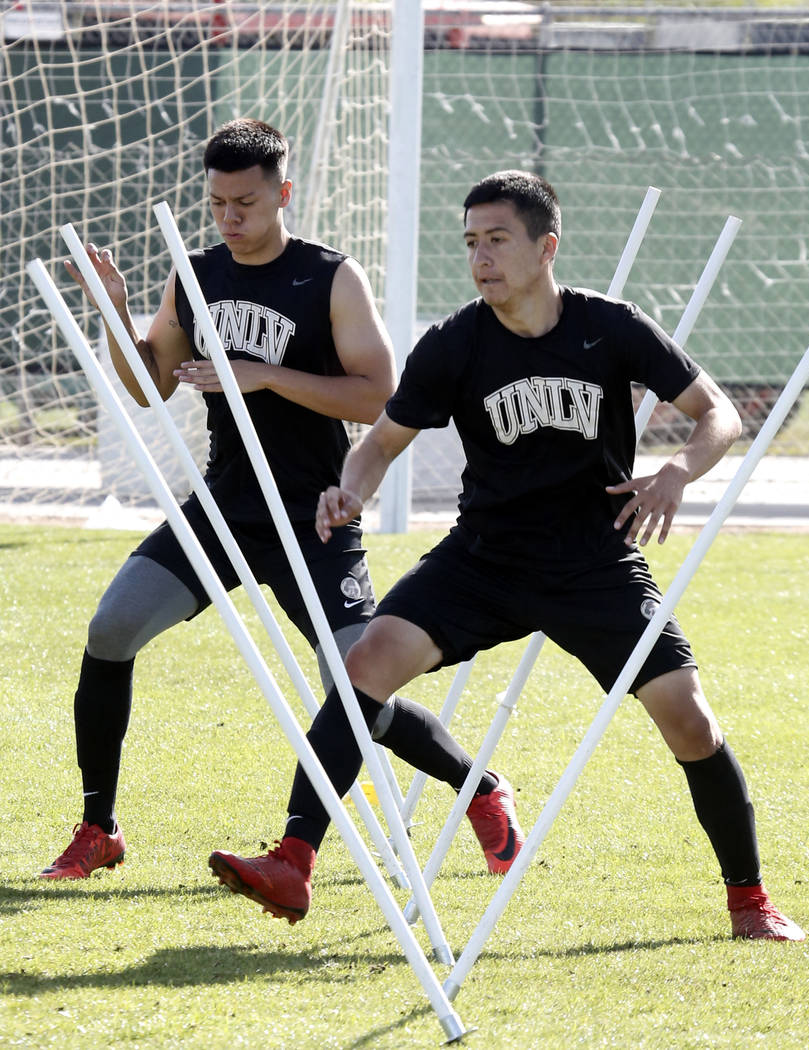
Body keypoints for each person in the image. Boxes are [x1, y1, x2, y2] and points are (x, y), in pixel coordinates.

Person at [211, 170, 805, 942]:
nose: (480, 258)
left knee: (689, 721)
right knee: (363, 666)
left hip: (594, 562)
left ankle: (750, 902)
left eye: (497, 240)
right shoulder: (455, 341)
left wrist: (677, 471)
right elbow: (380, 443)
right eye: (470, 243)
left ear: (546, 247)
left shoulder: (610, 326)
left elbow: (716, 412)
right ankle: (293, 861)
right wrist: (349, 489)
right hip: (483, 558)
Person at [39, 118, 507, 881]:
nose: (230, 218)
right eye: (217, 203)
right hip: (225, 508)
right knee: (111, 628)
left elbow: (380, 397)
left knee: (356, 683)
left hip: (314, 512)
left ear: (283, 193)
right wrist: (114, 313)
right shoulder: (195, 274)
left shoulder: (331, 277)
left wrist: (263, 375)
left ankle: (480, 788)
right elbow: (151, 387)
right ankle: (100, 827)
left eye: (246, 203)